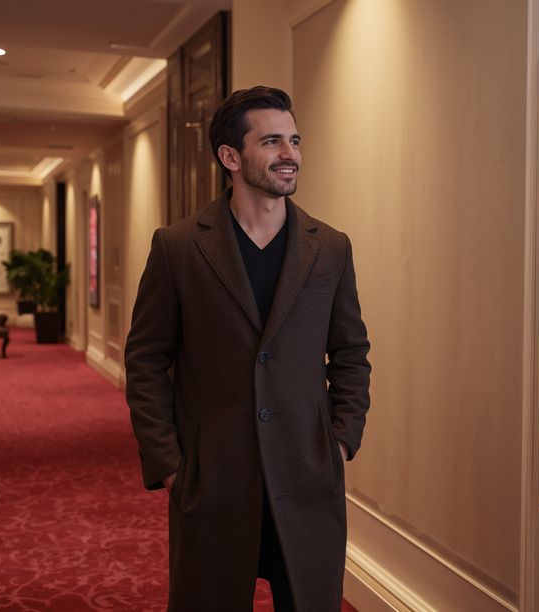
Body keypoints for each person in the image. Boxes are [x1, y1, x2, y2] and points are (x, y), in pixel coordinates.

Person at [125, 85, 371, 611]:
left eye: (295, 141)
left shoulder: (329, 248)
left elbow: (350, 352)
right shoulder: (179, 247)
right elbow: (146, 359)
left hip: (306, 478)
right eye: (273, 142)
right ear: (231, 157)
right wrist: (169, 462)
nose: (291, 155)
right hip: (212, 478)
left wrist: (340, 441)